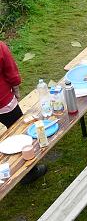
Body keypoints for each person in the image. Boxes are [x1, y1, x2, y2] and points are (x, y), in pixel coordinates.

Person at [1, 40, 46, 181]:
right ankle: (29, 173)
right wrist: (16, 88)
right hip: (3, 100)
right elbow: (10, 71)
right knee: (19, 131)